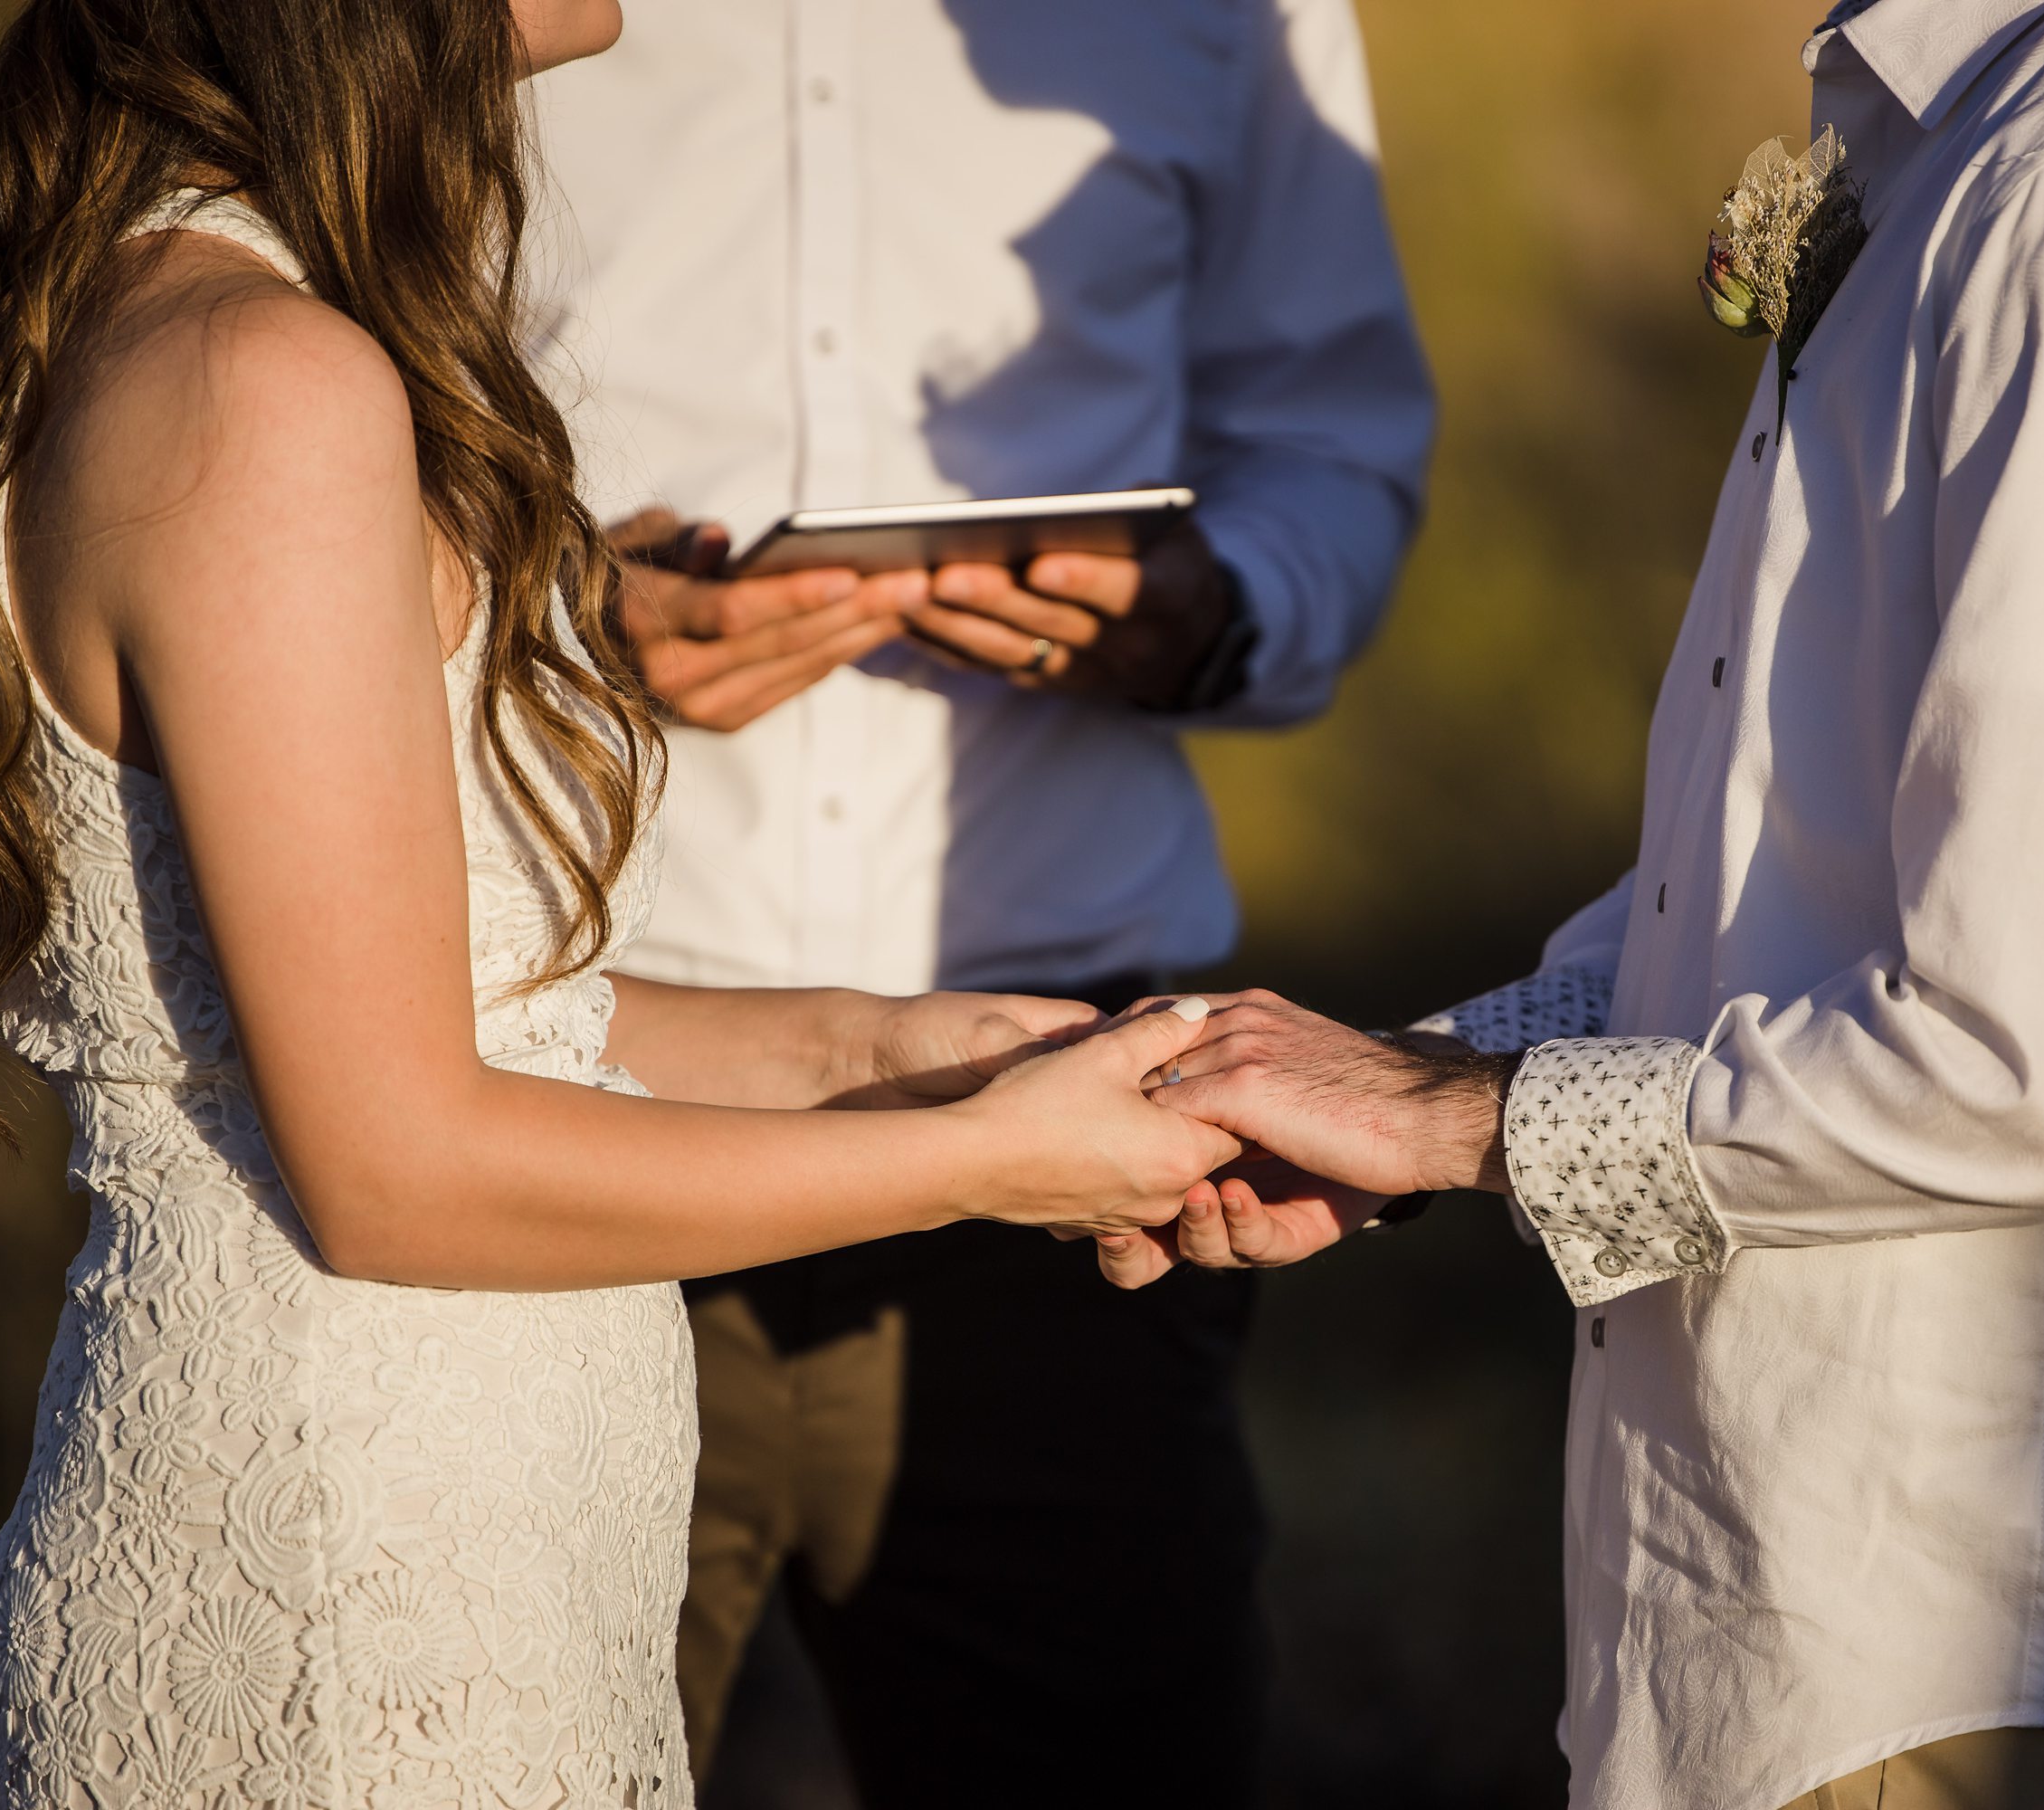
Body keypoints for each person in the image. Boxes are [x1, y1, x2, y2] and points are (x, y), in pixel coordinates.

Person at [0, 1, 1240, 1802]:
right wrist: (983, 1165)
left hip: (419, 1543)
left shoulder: (196, 315)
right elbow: (396, 1160)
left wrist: (889, 1049)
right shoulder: (271, 386)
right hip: (358, 1595)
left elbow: (441, 1010)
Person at [1117, 0, 2044, 1805]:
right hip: (1907, 1627)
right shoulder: (2021, 121)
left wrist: (1463, 1122)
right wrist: (1412, 1082)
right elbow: (1825, 880)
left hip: (2013, 1657)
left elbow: (2035, 1055)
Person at [521, 4, 1432, 1798]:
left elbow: (1333, 443)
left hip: (1081, 1112)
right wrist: (549, 627)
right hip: (568, 1082)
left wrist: (1213, 605)